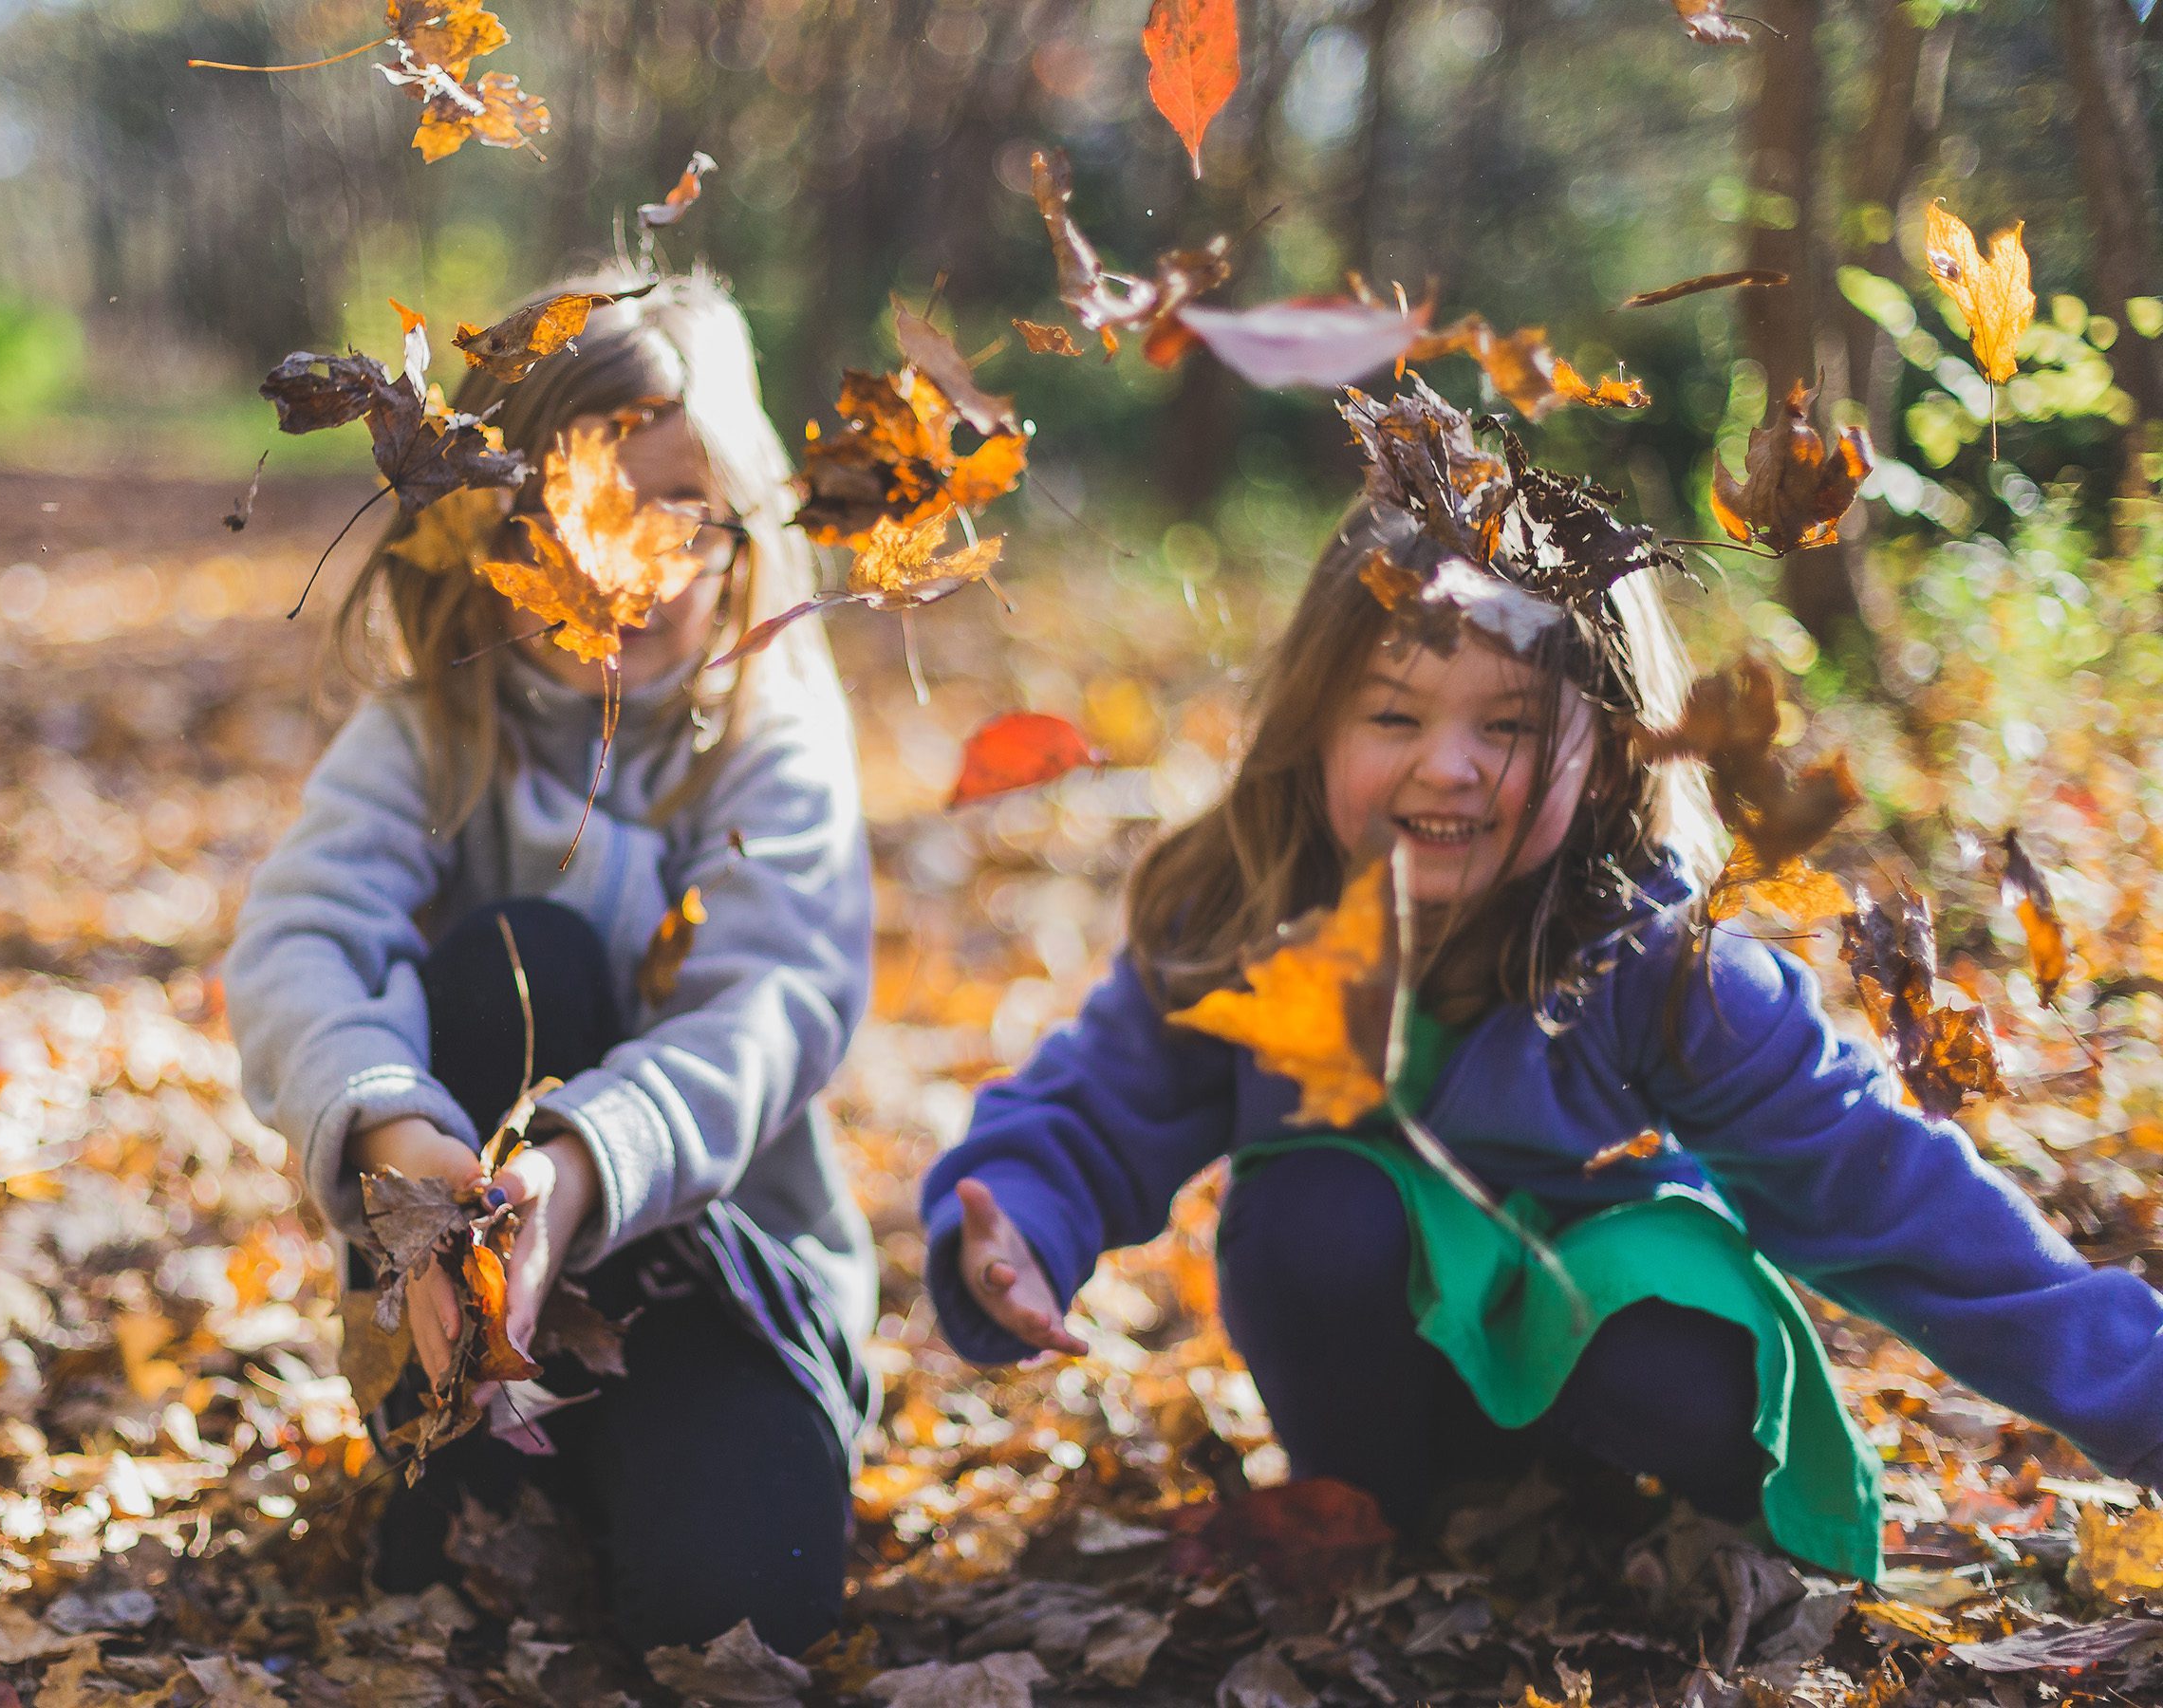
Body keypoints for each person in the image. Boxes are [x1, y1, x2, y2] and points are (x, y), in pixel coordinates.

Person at [920, 415, 2163, 1583]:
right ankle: (1386, 1518)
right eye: (1394, 713)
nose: (1447, 765)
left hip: (1622, 1363)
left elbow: (1896, 1195)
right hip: (1387, 1374)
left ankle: (1629, 1526)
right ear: (1316, 724)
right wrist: (1022, 1220)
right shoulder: (1253, 915)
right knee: (1311, 1208)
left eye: (1510, 725)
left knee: (1660, 1338)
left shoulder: (1664, 966)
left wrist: (2144, 1399)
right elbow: (1096, 1105)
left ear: (1612, 748)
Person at [226, 269, 872, 1653]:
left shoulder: (768, 736)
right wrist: (397, 1128)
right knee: (522, 954)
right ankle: (464, 1461)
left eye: (675, 510)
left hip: (717, 1291)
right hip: (462, 1296)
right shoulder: (430, 735)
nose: (625, 561)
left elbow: (774, 1005)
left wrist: (577, 1173)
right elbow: (299, 942)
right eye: (575, 505)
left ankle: (669, 1478)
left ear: (740, 520)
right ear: (486, 526)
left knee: (740, 1618)